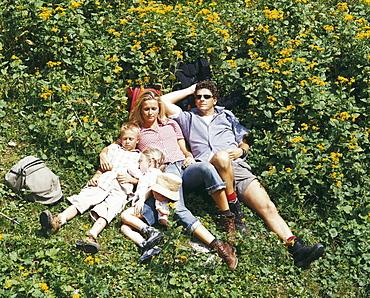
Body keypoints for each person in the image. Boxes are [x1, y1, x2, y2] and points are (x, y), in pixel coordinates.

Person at [161, 80, 325, 268]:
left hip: (237, 167)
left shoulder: (227, 116)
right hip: (208, 168)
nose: (201, 100)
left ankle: (296, 248)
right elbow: (163, 101)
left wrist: (243, 151)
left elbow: (244, 141)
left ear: (215, 100)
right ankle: (234, 210)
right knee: (222, 157)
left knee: (268, 206)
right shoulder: (188, 118)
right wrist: (192, 88)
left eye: (206, 96)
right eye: (198, 97)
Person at [100, 90, 238, 270]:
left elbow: (183, 147)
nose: (150, 112)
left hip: (183, 166)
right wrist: (103, 154)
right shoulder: (138, 130)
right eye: (146, 109)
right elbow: (116, 145)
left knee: (206, 167)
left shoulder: (171, 124)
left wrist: (189, 156)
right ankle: (219, 246)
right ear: (140, 111)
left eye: (153, 109)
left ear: (159, 109)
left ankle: (227, 217)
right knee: (178, 208)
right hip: (164, 172)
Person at [39, 122, 142, 254]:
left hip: (122, 188)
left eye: (131, 139)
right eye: (124, 139)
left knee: (108, 210)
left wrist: (132, 180)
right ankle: (58, 220)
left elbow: (145, 179)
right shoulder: (114, 149)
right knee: (84, 199)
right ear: (120, 139)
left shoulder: (140, 156)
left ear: (137, 140)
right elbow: (102, 168)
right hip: (105, 180)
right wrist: (96, 176)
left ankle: (92, 235)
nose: (127, 142)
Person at [121, 171, 182, 264]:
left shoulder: (160, 202)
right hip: (147, 210)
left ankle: (152, 232)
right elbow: (150, 189)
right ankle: (147, 246)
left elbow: (167, 221)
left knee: (125, 215)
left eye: (162, 195)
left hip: (149, 208)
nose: (155, 193)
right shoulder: (154, 190)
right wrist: (141, 200)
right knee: (124, 228)